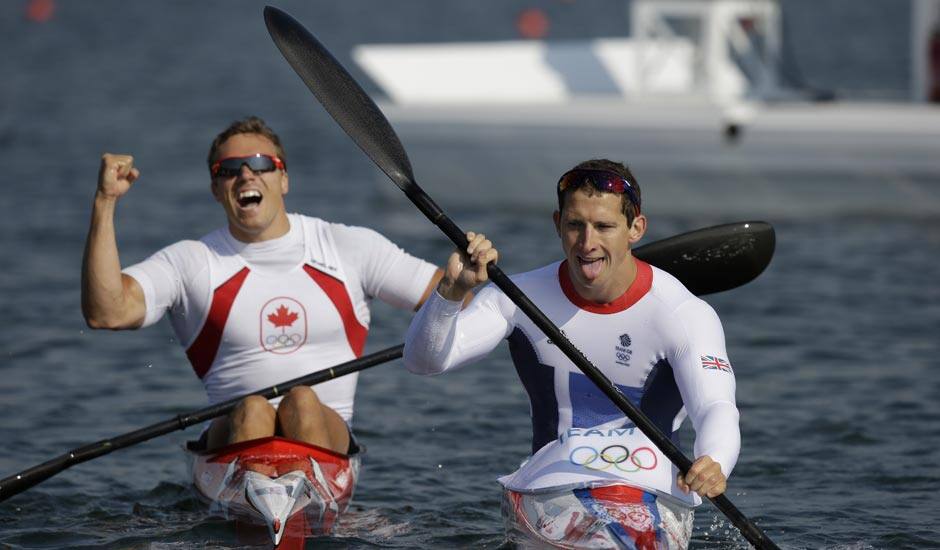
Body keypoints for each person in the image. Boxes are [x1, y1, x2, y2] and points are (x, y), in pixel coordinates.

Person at [403, 159, 739, 548]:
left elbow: (716, 405)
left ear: (636, 229)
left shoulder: (683, 313)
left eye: (604, 227)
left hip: (652, 489)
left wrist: (714, 460)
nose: (587, 243)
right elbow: (423, 362)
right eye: (575, 225)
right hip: (550, 484)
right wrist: (451, 289)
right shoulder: (516, 298)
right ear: (557, 225)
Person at [82, 115, 442, 463]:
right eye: (228, 168)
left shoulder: (346, 246)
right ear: (215, 189)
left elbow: (448, 295)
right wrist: (105, 201)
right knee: (254, 407)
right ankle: (269, 505)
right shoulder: (193, 261)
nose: (244, 174)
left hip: (326, 431)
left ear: (283, 178)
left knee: (301, 400)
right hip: (232, 433)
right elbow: (107, 312)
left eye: (259, 163)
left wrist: (471, 279)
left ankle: (283, 502)